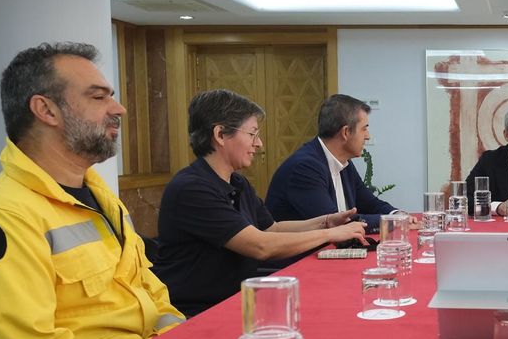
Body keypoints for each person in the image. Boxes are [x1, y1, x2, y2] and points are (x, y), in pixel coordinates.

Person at [0, 42, 184, 339]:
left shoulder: (102, 200)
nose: (119, 109)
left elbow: (153, 297)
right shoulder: (3, 218)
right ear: (46, 110)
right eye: (98, 98)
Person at [154, 89, 367, 317]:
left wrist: (326, 222)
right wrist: (331, 235)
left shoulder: (237, 181)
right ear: (220, 135)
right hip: (199, 313)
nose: (259, 143)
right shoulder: (192, 188)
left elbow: (271, 227)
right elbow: (261, 245)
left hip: (238, 302)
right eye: (253, 134)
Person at [266, 94, 399, 230]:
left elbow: (369, 203)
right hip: (301, 250)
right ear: (346, 132)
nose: (368, 136)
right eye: (364, 129)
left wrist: (396, 214)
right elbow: (335, 223)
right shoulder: (304, 168)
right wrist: (394, 220)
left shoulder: (343, 161)